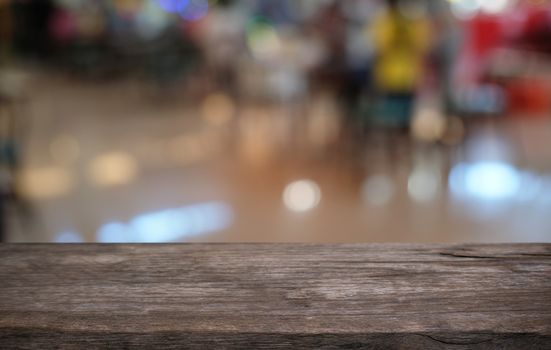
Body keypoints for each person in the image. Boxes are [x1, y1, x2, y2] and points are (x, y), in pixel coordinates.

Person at [371, 0, 430, 130]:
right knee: (400, 117)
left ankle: (396, 142)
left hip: (393, 74)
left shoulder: (386, 22)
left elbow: (378, 48)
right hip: (403, 74)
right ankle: (399, 142)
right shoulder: (410, 22)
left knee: (395, 117)